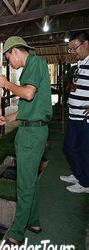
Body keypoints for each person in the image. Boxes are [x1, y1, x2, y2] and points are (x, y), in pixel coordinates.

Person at [0, 36, 52, 246]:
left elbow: (28, 94)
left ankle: (17, 232)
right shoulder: (32, 68)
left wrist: (6, 83)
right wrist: (7, 119)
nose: (10, 62)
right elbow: (28, 109)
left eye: (9, 57)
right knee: (30, 181)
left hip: (32, 135)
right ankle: (34, 221)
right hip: (29, 130)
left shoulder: (35, 63)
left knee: (24, 185)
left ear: (16, 52)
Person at [60, 31, 89, 193]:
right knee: (70, 147)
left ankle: (86, 184)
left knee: (85, 151)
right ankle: (79, 175)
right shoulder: (80, 64)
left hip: (85, 120)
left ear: (85, 44)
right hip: (74, 116)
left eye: (74, 48)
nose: (73, 52)